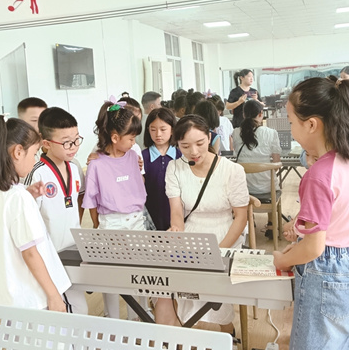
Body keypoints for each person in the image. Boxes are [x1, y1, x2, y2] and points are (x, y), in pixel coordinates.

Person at [273, 77, 349, 350]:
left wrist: (282, 260)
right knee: (345, 349)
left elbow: (314, 248)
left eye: (291, 122)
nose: (291, 130)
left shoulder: (318, 175)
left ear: (311, 124)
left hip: (325, 271)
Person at [157, 115, 249, 337]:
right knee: (182, 280)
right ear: (177, 144)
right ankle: (190, 332)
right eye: (185, 146)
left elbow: (240, 217)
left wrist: (219, 250)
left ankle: (228, 332)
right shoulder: (174, 168)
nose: (194, 152)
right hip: (192, 232)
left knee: (217, 283)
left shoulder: (232, 170)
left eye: (200, 143)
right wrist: (176, 230)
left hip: (226, 232)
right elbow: (177, 212)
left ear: (209, 137)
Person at [0, 115, 72, 311]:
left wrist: (26, 194)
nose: (36, 159)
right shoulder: (18, 197)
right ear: (18, 152)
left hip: (7, 296)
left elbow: (7, 222)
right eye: (34, 153)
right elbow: (30, 253)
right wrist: (54, 295)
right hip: (32, 298)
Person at [82, 99, 146, 319]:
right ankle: (112, 319)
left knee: (138, 274)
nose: (134, 142)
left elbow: (137, 185)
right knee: (110, 277)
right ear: (115, 137)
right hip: (111, 223)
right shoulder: (96, 164)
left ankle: (138, 317)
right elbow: (91, 201)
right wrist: (99, 224)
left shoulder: (134, 156)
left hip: (136, 220)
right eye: (131, 138)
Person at [24, 107, 88, 315]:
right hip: (50, 257)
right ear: (46, 144)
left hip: (72, 252)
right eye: (67, 142)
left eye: (77, 140)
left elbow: (76, 204)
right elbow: (27, 219)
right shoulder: (36, 174)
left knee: (77, 309)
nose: (73, 147)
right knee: (75, 310)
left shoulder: (75, 168)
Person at [142, 107, 181, 231]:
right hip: (149, 218)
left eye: (163, 129)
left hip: (177, 217)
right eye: (153, 130)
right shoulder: (142, 157)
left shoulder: (181, 156)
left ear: (172, 130)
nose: (158, 134)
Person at [232, 99, 282, 194]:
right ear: (261, 114)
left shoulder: (236, 133)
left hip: (244, 189)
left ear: (244, 115)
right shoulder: (271, 133)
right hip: (268, 188)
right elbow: (276, 164)